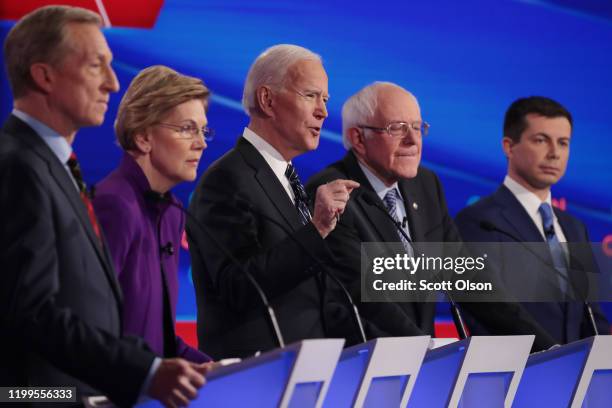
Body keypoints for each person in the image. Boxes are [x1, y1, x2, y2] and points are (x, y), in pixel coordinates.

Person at [0, 6, 208, 407]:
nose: (113, 83)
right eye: (97, 66)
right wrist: (143, 373)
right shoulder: (19, 167)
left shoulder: (55, 168)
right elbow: (30, 313)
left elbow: (106, 314)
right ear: (45, 76)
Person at [306, 82, 557, 350]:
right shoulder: (332, 194)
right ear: (358, 138)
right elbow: (365, 298)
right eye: (397, 128)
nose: (413, 141)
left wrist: (544, 347)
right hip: (363, 363)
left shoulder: (425, 185)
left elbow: (469, 280)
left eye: (417, 127)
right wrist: (425, 351)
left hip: (421, 365)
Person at [188, 44, 359, 359]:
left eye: (325, 99)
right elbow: (239, 287)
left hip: (307, 369)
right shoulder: (227, 180)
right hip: (257, 379)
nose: (323, 111)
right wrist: (317, 228)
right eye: (311, 95)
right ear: (267, 100)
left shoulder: (287, 178)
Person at [454, 96, 609, 343]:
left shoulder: (574, 227)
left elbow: (591, 315)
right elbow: (491, 312)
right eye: (541, 140)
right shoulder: (478, 221)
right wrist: (552, 357)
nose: (554, 153)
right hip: (518, 373)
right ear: (509, 146)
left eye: (563, 143)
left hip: (575, 375)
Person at [93, 65, 212, 363]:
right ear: (144, 136)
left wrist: (217, 370)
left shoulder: (171, 212)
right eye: (187, 128)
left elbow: (158, 340)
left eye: (203, 130)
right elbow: (90, 334)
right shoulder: (113, 206)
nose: (201, 143)